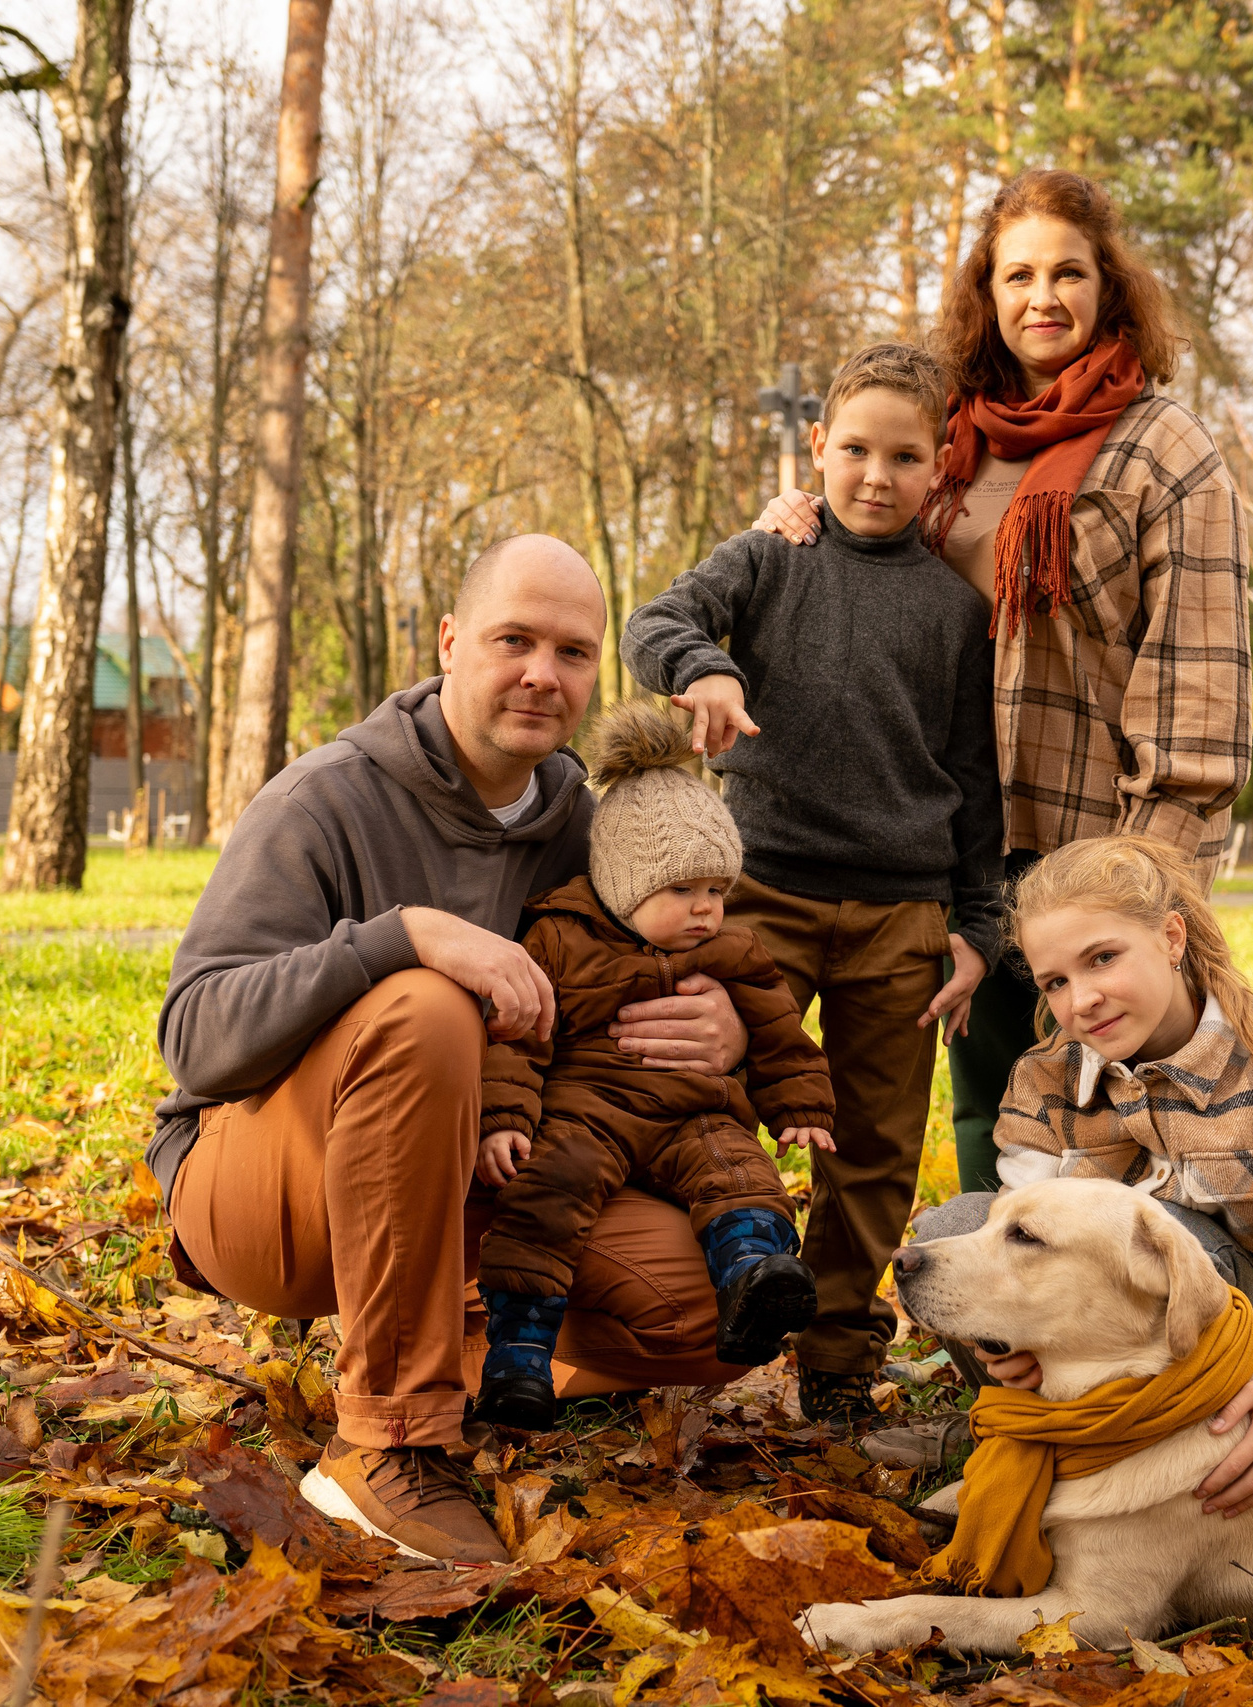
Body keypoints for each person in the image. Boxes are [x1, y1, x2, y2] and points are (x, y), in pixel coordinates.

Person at [150, 536, 755, 1566]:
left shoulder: (590, 831)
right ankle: (384, 1441)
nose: (541, 673)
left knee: (710, 1308)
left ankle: (455, 1346)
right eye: (513, 640)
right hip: (266, 1193)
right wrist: (401, 938)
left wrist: (722, 1030)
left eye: (572, 651)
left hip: (484, 1187)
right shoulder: (323, 801)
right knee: (428, 1008)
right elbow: (195, 1036)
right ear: (448, 643)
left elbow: (638, 1003)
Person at [752, 171, 1250, 1200]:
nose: (1043, 297)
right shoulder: (948, 436)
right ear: (987, 290)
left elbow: (1200, 695)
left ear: (1109, 286)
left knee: (1109, 1113)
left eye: (1069, 272)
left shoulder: (1166, 450)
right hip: (954, 844)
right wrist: (788, 527)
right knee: (988, 1108)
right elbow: (863, 542)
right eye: (1017, 274)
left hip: (1093, 842)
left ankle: (1152, 1293)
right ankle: (996, 1298)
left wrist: (1142, 888)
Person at [625, 341, 1005, 1427]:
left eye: (905, 457)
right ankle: (681, 1305)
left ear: (939, 467)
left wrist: (978, 924)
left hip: (902, 916)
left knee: (875, 1148)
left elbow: (973, 778)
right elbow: (655, 623)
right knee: (705, 1095)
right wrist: (704, 668)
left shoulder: (953, 612)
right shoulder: (767, 558)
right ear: (818, 447)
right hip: (760, 897)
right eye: (855, 451)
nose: (876, 477)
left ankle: (838, 1357)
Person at [872, 835, 1253, 1523]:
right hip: (1086, 1346)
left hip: (1233, 1354)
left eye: (1102, 958)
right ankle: (1034, 1426)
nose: (1083, 999)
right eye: (1055, 982)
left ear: (1172, 937)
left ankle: (1120, 1453)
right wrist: (1004, 1344)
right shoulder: (1043, 1078)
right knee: (959, 1228)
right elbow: (1016, 1242)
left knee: (1171, 1237)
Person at [473, 701, 837, 1430]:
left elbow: (779, 1030)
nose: (705, 909)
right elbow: (518, 1040)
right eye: (681, 890)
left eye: (716, 890)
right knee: (545, 1196)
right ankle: (518, 1353)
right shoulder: (559, 937)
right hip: (587, 1111)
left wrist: (800, 1105)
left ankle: (752, 1278)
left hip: (693, 1114)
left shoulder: (733, 950)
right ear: (623, 882)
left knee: (739, 1171)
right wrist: (504, 1119)